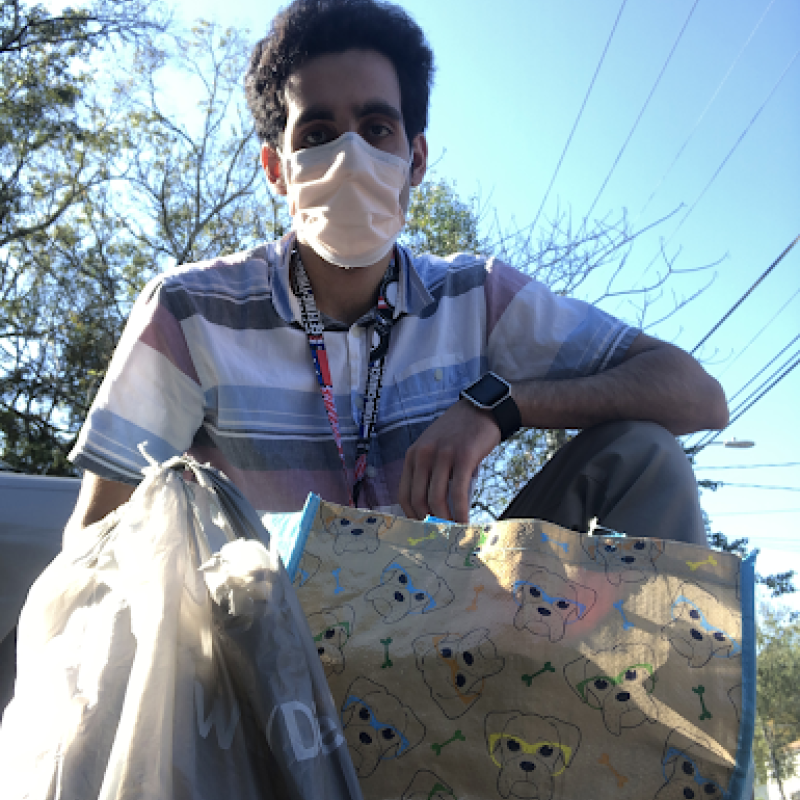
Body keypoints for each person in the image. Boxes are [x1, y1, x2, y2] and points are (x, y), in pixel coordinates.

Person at [66, 0, 727, 546]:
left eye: (376, 128)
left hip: (448, 642)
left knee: (646, 456)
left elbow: (697, 395)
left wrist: (501, 405)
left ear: (415, 159)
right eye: (317, 133)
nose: (349, 154)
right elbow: (96, 541)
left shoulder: (476, 298)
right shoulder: (190, 313)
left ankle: (614, 706)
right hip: (264, 660)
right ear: (276, 170)